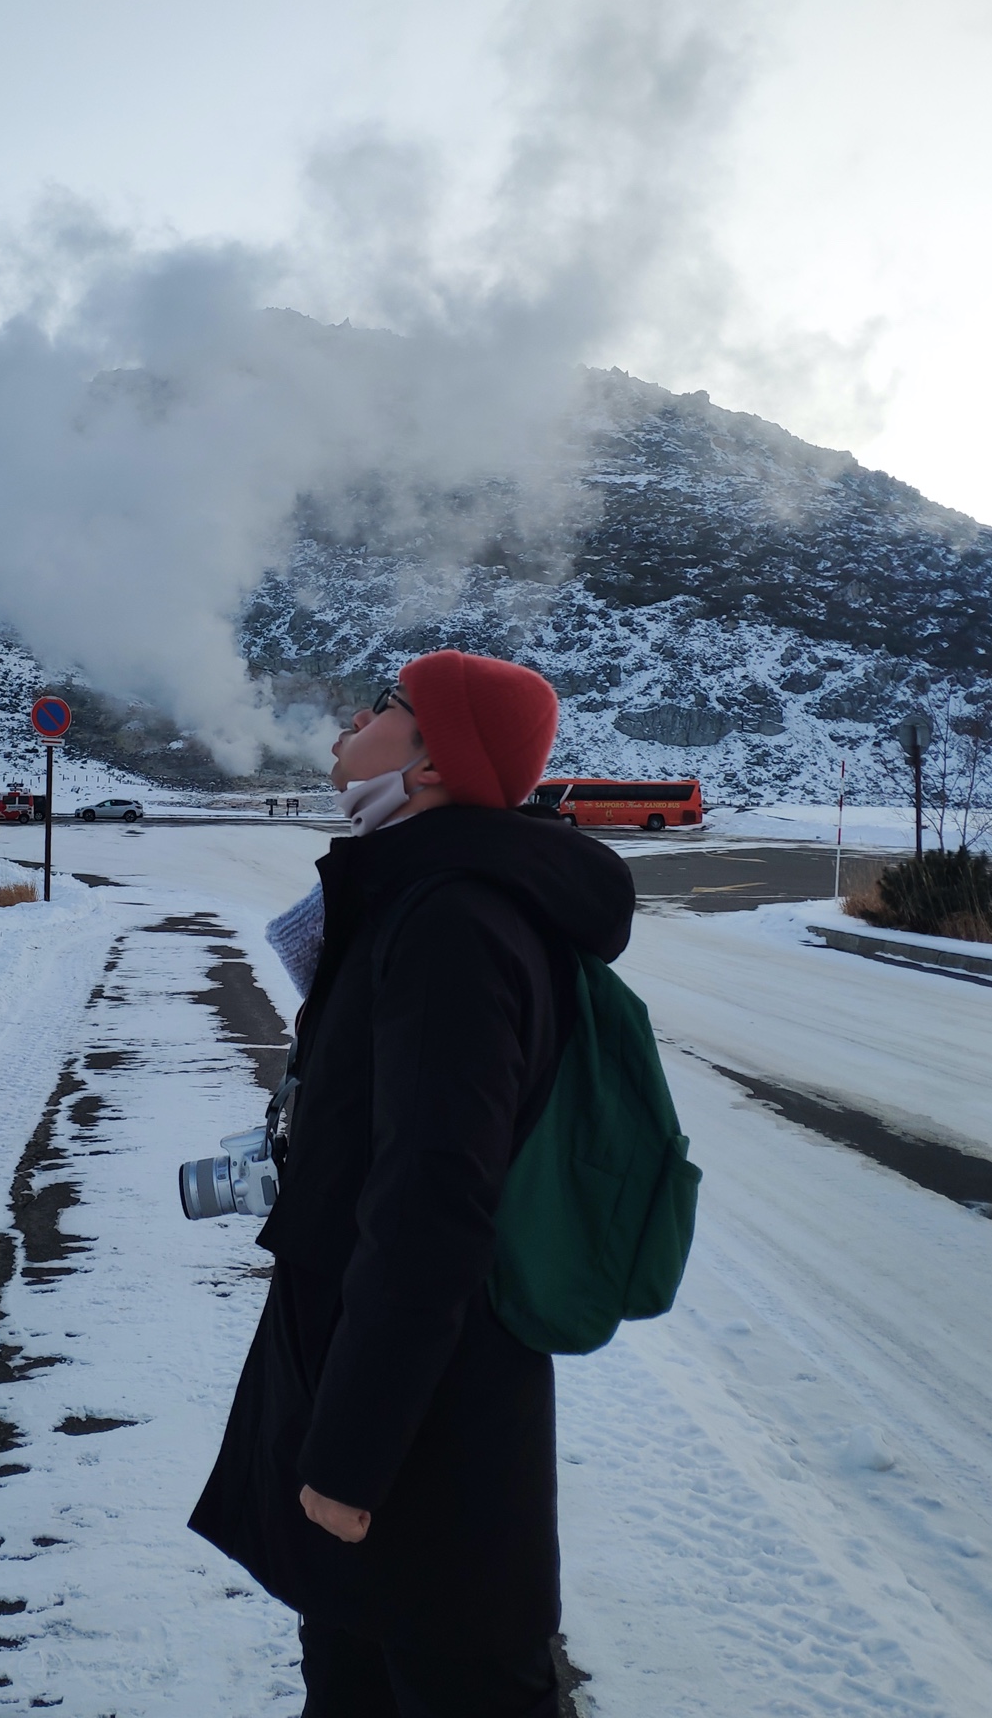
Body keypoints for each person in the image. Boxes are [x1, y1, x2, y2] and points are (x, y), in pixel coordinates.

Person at [190, 649, 636, 1716]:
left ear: (434, 762)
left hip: (423, 1438)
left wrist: (347, 1458)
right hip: (379, 1395)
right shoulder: (413, 894)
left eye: (385, 705)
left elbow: (434, 1207)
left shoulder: (453, 921)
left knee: (451, 1681)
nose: (351, 717)